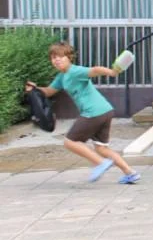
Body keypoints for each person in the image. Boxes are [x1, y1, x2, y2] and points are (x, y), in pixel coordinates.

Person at [25, 42, 140, 184]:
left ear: (69, 57)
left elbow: (95, 70)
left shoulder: (75, 71)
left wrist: (112, 72)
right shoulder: (62, 76)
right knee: (102, 148)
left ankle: (100, 163)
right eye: (54, 57)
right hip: (105, 110)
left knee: (70, 142)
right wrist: (35, 89)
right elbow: (49, 91)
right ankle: (130, 173)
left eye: (61, 56)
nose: (57, 60)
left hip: (93, 111)